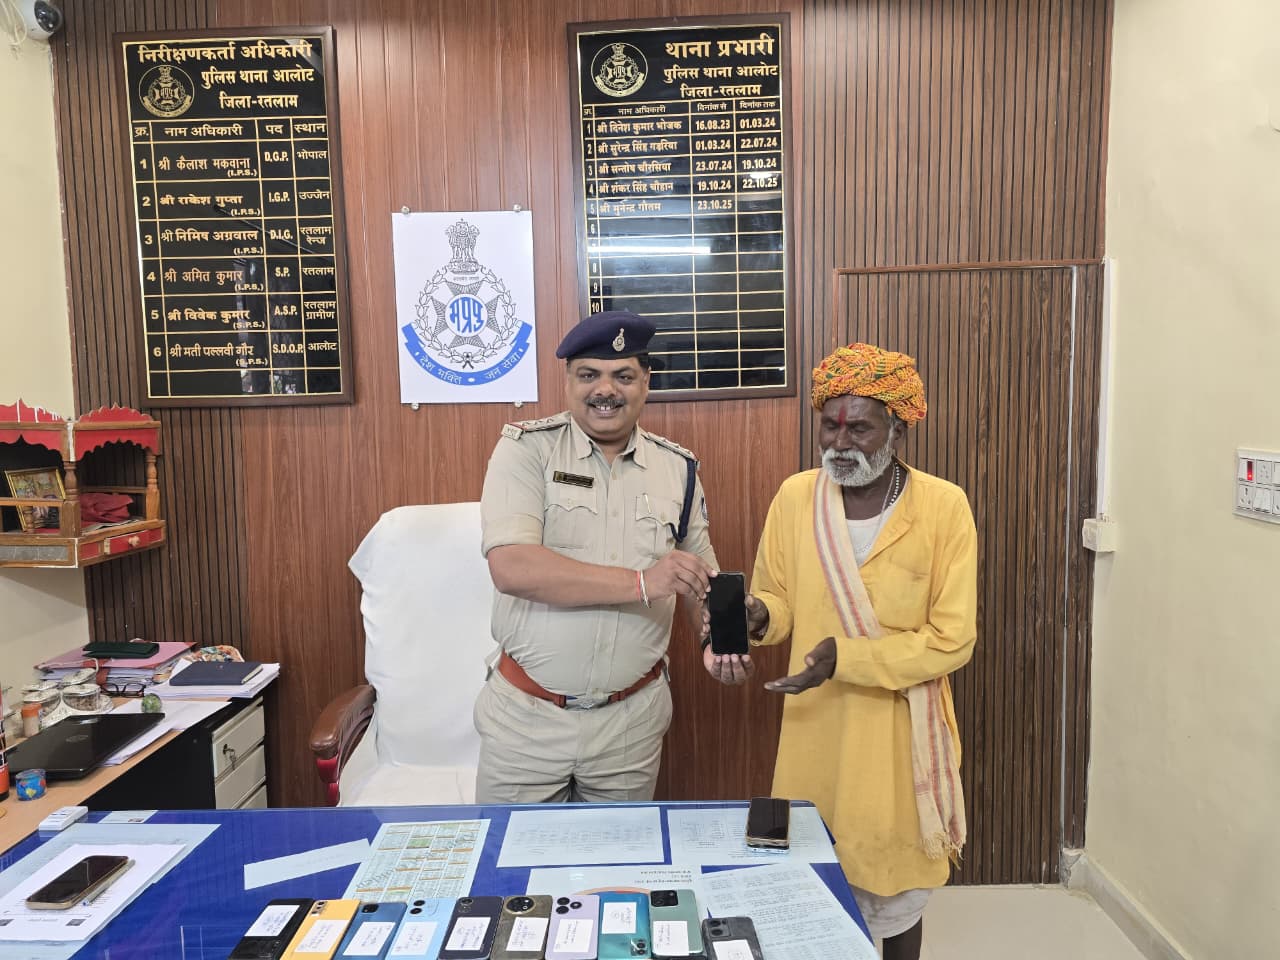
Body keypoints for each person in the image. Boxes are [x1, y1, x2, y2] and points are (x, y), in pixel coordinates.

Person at [706, 343, 977, 960]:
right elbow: (779, 599)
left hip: (896, 738)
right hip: (816, 730)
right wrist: (758, 616)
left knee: (896, 897)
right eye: (830, 425)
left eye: (860, 428)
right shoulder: (796, 496)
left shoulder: (943, 507)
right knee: (812, 887)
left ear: (898, 429)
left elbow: (952, 639)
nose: (840, 442)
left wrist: (845, 660)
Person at [476, 309, 718, 804]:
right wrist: (642, 582)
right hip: (526, 723)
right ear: (568, 381)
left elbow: (700, 577)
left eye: (622, 376)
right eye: (589, 375)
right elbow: (512, 567)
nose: (605, 390)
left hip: (631, 726)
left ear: (646, 382)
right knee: (512, 856)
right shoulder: (526, 451)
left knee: (617, 857)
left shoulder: (679, 469)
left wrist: (719, 636)